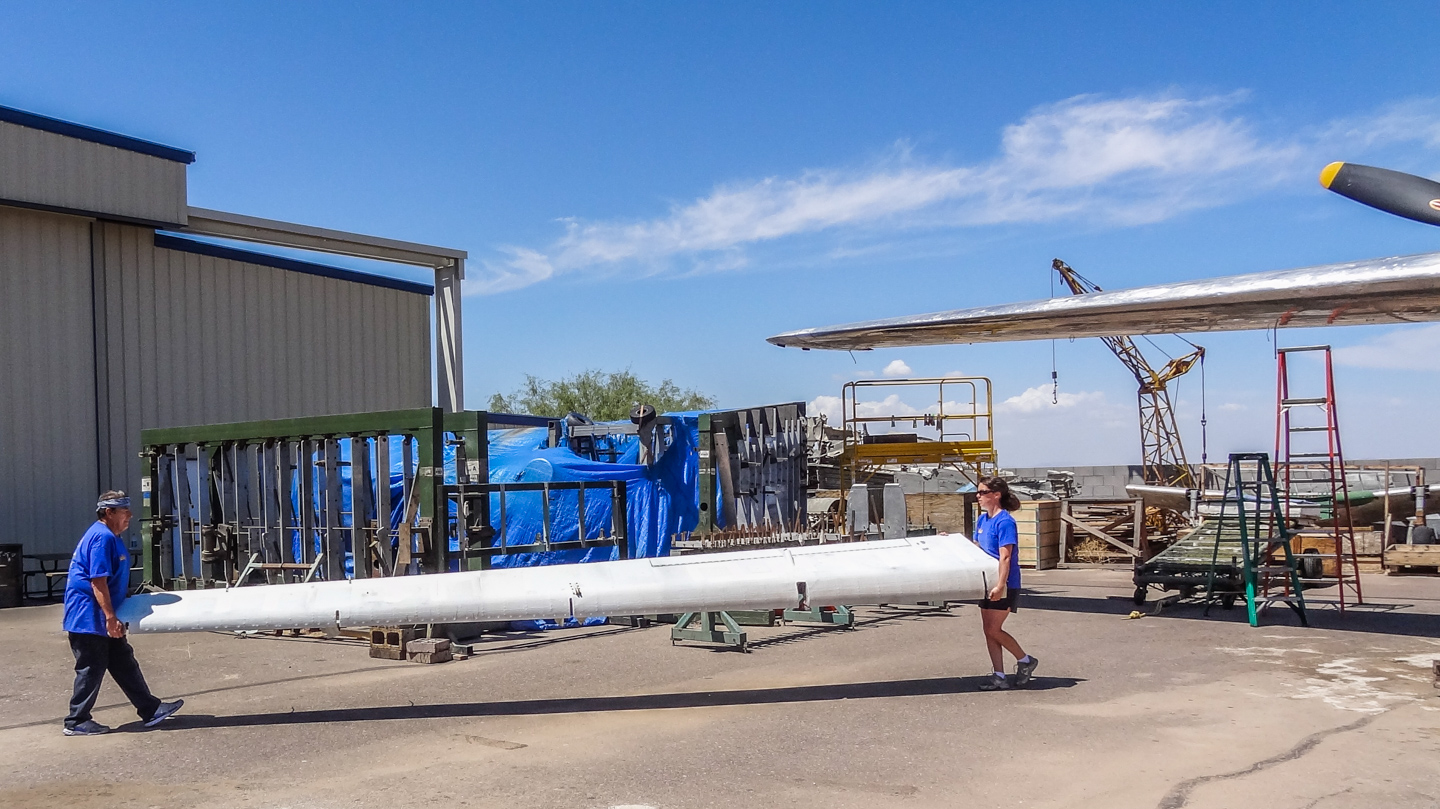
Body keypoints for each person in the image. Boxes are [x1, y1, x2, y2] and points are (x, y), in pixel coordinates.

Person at [61, 491, 183, 736]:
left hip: (101, 614)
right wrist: (110, 617)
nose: (130, 515)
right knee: (91, 667)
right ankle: (76, 721)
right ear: (109, 512)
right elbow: (98, 581)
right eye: (124, 511)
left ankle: (150, 709)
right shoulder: (102, 537)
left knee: (123, 662)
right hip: (89, 616)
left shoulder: (111, 536)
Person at [972, 477, 1038, 691]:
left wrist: (1000, 586)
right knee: (988, 630)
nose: (978, 496)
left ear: (996, 495)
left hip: (1005, 582)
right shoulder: (982, 520)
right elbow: (975, 547)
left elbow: (1006, 557)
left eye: (982, 492)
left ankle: (1025, 660)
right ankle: (999, 675)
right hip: (986, 580)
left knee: (994, 629)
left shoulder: (1005, 522)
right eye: (978, 492)